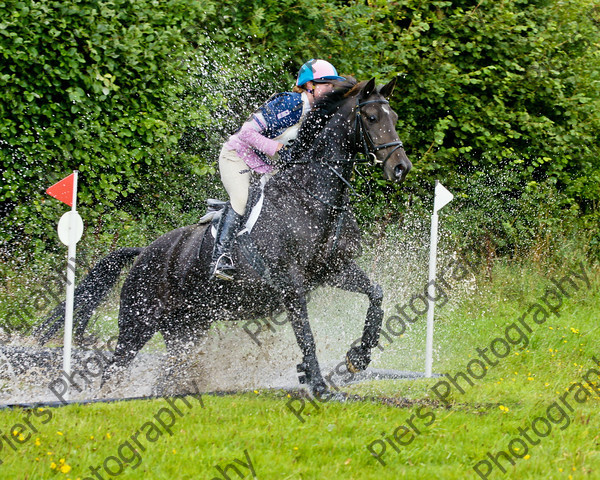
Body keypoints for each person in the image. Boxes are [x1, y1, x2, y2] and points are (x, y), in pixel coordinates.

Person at [210, 59, 345, 281]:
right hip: (238, 156)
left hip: (267, 165)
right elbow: (246, 133)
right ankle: (221, 257)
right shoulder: (289, 104)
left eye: (332, 86)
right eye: (326, 84)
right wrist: (279, 149)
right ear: (309, 85)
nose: (331, 90)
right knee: (242, 199)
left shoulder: (318, 116)